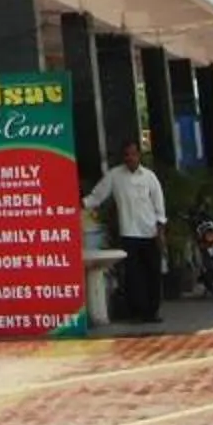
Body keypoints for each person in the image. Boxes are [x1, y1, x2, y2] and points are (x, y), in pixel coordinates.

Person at [80, 137, 166, 323]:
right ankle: (137, 312)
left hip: (150, 232)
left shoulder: (149, 177)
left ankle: (152, 312)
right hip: (129, 233)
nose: (130, 158)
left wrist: (160, 232)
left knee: (152, 274)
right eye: (127, 155)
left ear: (139, 155)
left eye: (133, 154)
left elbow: (159, 206)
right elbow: (97, 196)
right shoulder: (115, 176)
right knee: (133, 276)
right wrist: (78, 204)